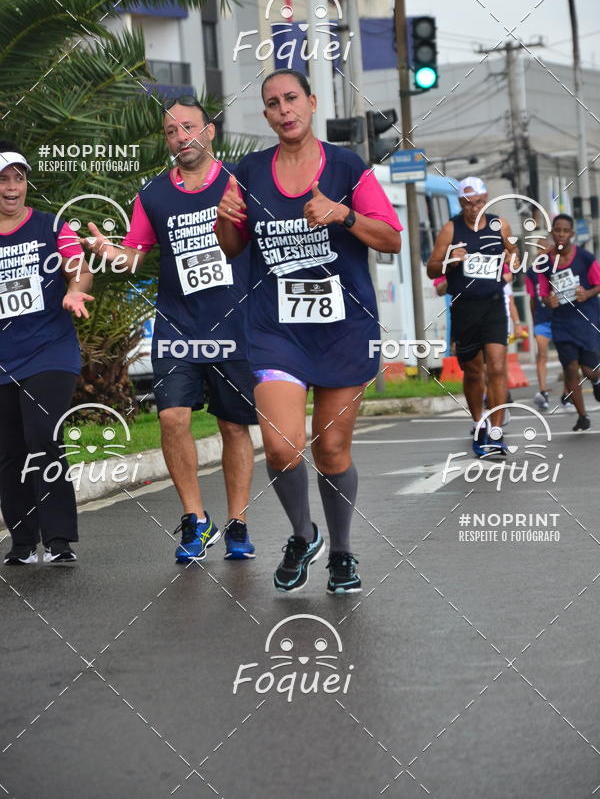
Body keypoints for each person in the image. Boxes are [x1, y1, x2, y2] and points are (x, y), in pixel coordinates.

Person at [215, 70, 402, 595]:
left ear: (311, 103)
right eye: (272, 103)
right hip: (278, 329)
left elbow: (389, 239)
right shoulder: (248, 171)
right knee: (279, 446)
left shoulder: (348, 167)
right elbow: (232, 246)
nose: (283, 110)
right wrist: (225, 219)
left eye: (291, 98)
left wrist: (342, 214)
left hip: (343, 328)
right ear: (267, 115)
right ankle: (303, 534)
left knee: (333, 449)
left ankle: (341, 552)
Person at [83, 98, 257, 562]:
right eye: (172, 131)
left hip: (235, 325)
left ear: (210, 132)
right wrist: (105, 248)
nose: (181, 137)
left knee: (233, 426)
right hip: (178, 326)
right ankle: (195, 520)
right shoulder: (154, 194)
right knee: (171, 418)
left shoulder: (240, 181)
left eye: (189, 128)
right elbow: (135, 255)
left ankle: (238, 522)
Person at [0, 142, 93, 565]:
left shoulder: (51, 225)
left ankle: (58, 540)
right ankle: (22, 543)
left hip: (50, 351)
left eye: (19, 177)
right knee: (8, 449)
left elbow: (79, 267)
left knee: (42, 436)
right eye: (3, 178)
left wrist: (75, 292)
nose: (12, 186)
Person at [426, 176, 518, 456]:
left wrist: (510, 266)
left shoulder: (498, 224)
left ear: (486, 199)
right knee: (474, 372)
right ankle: (479, 423)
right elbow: (432, 269)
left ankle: (497, 431)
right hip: (465, 308)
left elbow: (513, 252)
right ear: (460, 203)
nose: (473, 208)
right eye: (467, 204)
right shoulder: (450, 230)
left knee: (498, 368)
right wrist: (451, 260)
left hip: (492, 305)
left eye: (478, 202)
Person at [537, 214, 600, 430]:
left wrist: (588, 293)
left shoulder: (585, 258)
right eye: (557, 230)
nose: (561, 234)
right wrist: (549, 300)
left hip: (586, 318)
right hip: (562, 322)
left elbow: (599, 284)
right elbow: (543, 295)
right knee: (571, 368)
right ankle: (582, 416)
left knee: (589, 370)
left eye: (565, 231)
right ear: (552, 233)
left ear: (571, 234)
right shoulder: (545, 263)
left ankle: (597, 381)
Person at [526, 240, 553, 411]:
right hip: (542, 318)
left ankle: (569, 392)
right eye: (537, 248)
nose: (539, 251)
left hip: (560, 318)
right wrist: (534, 319)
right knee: (541, 355)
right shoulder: (532, 271)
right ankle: (543, 391)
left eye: (543, 247)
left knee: (569, 358)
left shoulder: (559, 265)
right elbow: (531, 298)